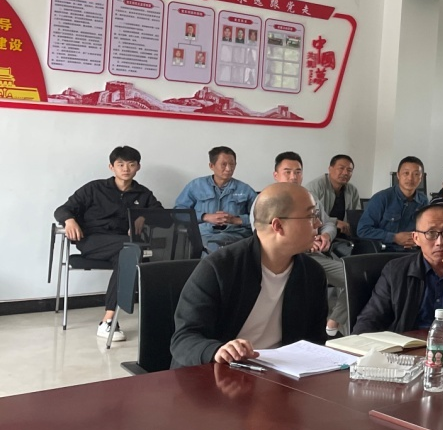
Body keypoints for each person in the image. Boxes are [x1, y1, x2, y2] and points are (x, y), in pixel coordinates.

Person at [169, 183, 329, 368]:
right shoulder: (220, 267)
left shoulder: (312, 274)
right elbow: (184, 338)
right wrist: (216, 350)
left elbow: (314, 342)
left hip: (280, 375)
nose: (318, 224)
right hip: (218, 373)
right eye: (311, 216)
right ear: (278, 225)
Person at [53, 145, 162, 342]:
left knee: (127, 257)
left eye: (131, 164)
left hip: (124, 246)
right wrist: (69, 220)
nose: (126, 169)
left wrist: (144, 217)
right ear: (111, 167)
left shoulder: (143, 194)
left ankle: (108, 320)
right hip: (92, 241)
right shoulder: (94, 188)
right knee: (133, 249)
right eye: (120, 164)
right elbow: (62, 209)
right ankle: (113, 318)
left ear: (138, 167)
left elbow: (163, 217)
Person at [352, 205, 443, 333]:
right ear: (416, 238)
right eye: (431, 233)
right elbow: (370, 319)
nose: (440, 242)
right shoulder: (395, 271)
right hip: (408, 347)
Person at [266, 152, 349, 338]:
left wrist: (326, 235)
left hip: (317, 256)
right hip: (288, 258)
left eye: (298, 172)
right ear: (276, 175)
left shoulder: (309, 197)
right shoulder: (266, 200)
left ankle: (333, 324)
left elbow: (327, 223)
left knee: (355, 277)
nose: (293, 177)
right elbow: (266, 237)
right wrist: (304, 243)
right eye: (287, 172)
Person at [174, 146, 256, 252]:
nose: (229, 169)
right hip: (203, 235)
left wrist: (235, 220)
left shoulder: (245, 190)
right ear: (211, 166)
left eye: (232, 164)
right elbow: (178, 212)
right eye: (224, 164)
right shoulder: (196, 186)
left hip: (236, 235)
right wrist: (205, 217)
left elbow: (261, 218)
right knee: (212, 247)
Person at [358, 156, 427, 251]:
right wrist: (394, 237)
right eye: (406, 173)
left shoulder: (423, 201)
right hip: (386, 252)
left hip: (414, 252)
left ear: (421, 178)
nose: (410, 178)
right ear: (398, 175)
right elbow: (363, 230)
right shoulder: (382, 198)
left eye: (416, 174)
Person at [306, 154, 360, 242]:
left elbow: (356, 217)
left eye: (349, 170)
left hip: (345, 236)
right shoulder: (314, 187)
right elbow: (313, 216)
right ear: (330, 169)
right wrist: (336, 222)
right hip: (320, 235)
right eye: (341, 168)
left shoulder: (353, 190)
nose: (345, 173)